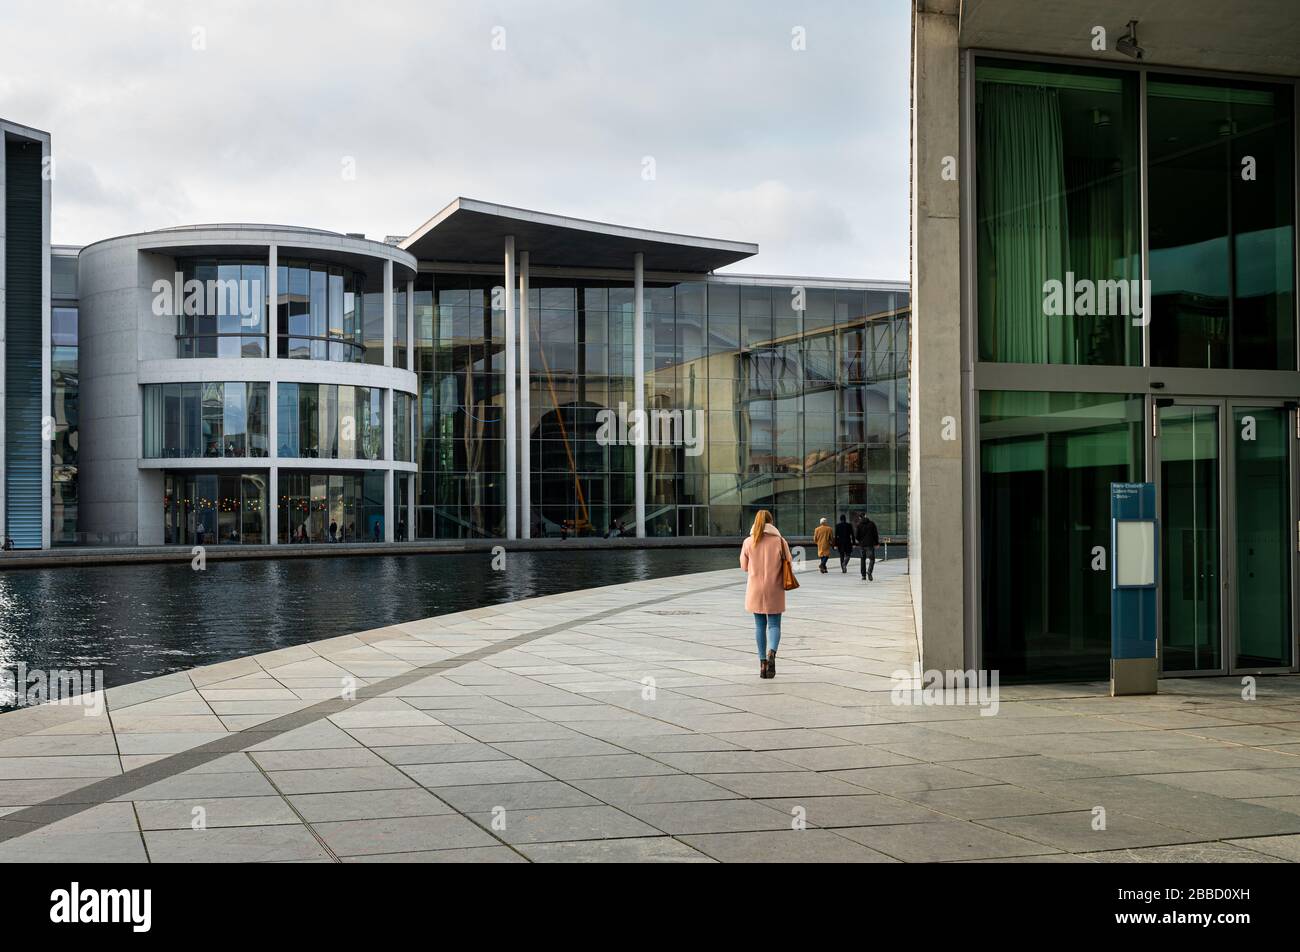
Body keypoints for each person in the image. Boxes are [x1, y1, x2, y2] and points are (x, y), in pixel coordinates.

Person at [740, 509, 794, 680]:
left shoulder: (748, 541)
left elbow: (744, 566)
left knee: (759, 626)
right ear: (771, 522)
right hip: (775, 587)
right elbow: (789, 561)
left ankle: (763, 663)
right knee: (774, 624)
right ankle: (772, 652)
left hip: (755, 588)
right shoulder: (779, 541)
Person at [856, 512, 880, 581]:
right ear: (865, 516)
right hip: (870, 545)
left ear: (860, 517)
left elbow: (857, 536)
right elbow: (875, 534)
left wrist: (860, 541)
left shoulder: (859, 525)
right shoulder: (872, 524)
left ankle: (863, 576)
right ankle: (869, 572)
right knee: (872, 559)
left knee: (862, 559)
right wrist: (876, 543)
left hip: (862, 545)